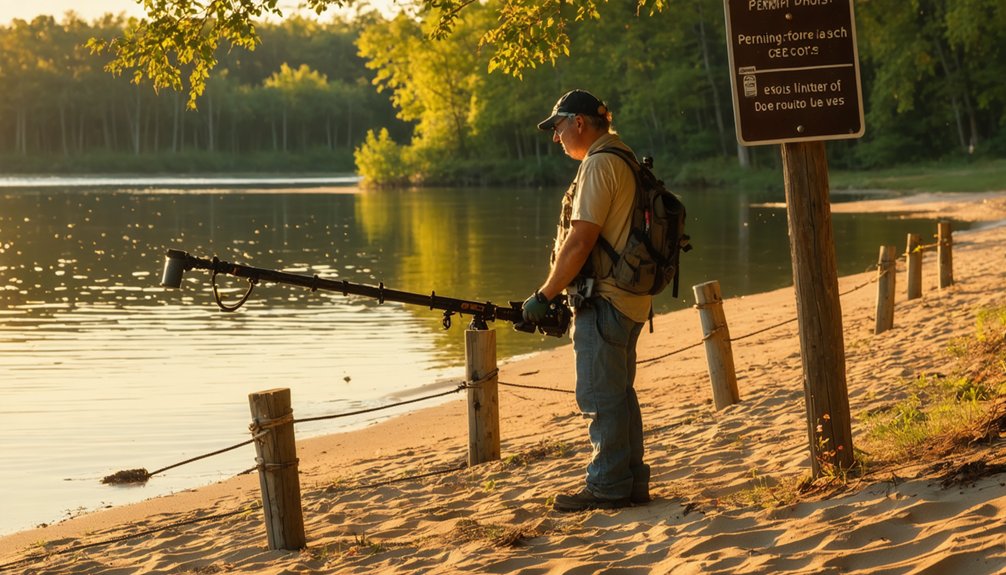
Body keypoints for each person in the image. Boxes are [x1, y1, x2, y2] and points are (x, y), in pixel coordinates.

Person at [522, 89, 651, 512]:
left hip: (606, 301)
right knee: (620, 393)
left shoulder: (599, 164)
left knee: (599, 397)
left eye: (557, 127)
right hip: (630, 298)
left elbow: (580, 240)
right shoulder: (624, 155)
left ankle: (607, 485)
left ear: (579, 122)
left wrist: (544, 294)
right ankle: (631, 482)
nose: (555, 138)